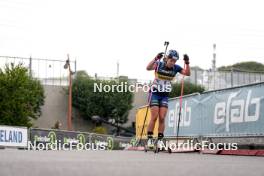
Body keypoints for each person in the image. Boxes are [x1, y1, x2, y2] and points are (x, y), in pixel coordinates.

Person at [146, 49, 190, 148]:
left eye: (174, 61)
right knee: (154, 117)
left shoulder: (176, 68)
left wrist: (187, 63)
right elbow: (148, 68)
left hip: (164, 95)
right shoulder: (159, 64)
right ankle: (150, 140)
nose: (172, 63)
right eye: (171, 61)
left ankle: (160, 140)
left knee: (162, 118)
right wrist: (155, 58)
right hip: (155, 93)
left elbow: (187, 73)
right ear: (167, 59)